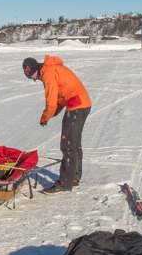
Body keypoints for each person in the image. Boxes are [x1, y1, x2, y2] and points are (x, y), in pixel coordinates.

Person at [23, 56, 92, 194]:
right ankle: (74, 179)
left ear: (35, 69)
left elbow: (51, 102)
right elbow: (60, 99)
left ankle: (65, 183)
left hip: (76, 106)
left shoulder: (48, 74)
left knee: (67, 145)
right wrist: (54, 113)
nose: (34, 80)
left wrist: (45, 117)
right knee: (74, 144)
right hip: (81, 104)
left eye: (32, 76)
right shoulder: (51, 70)